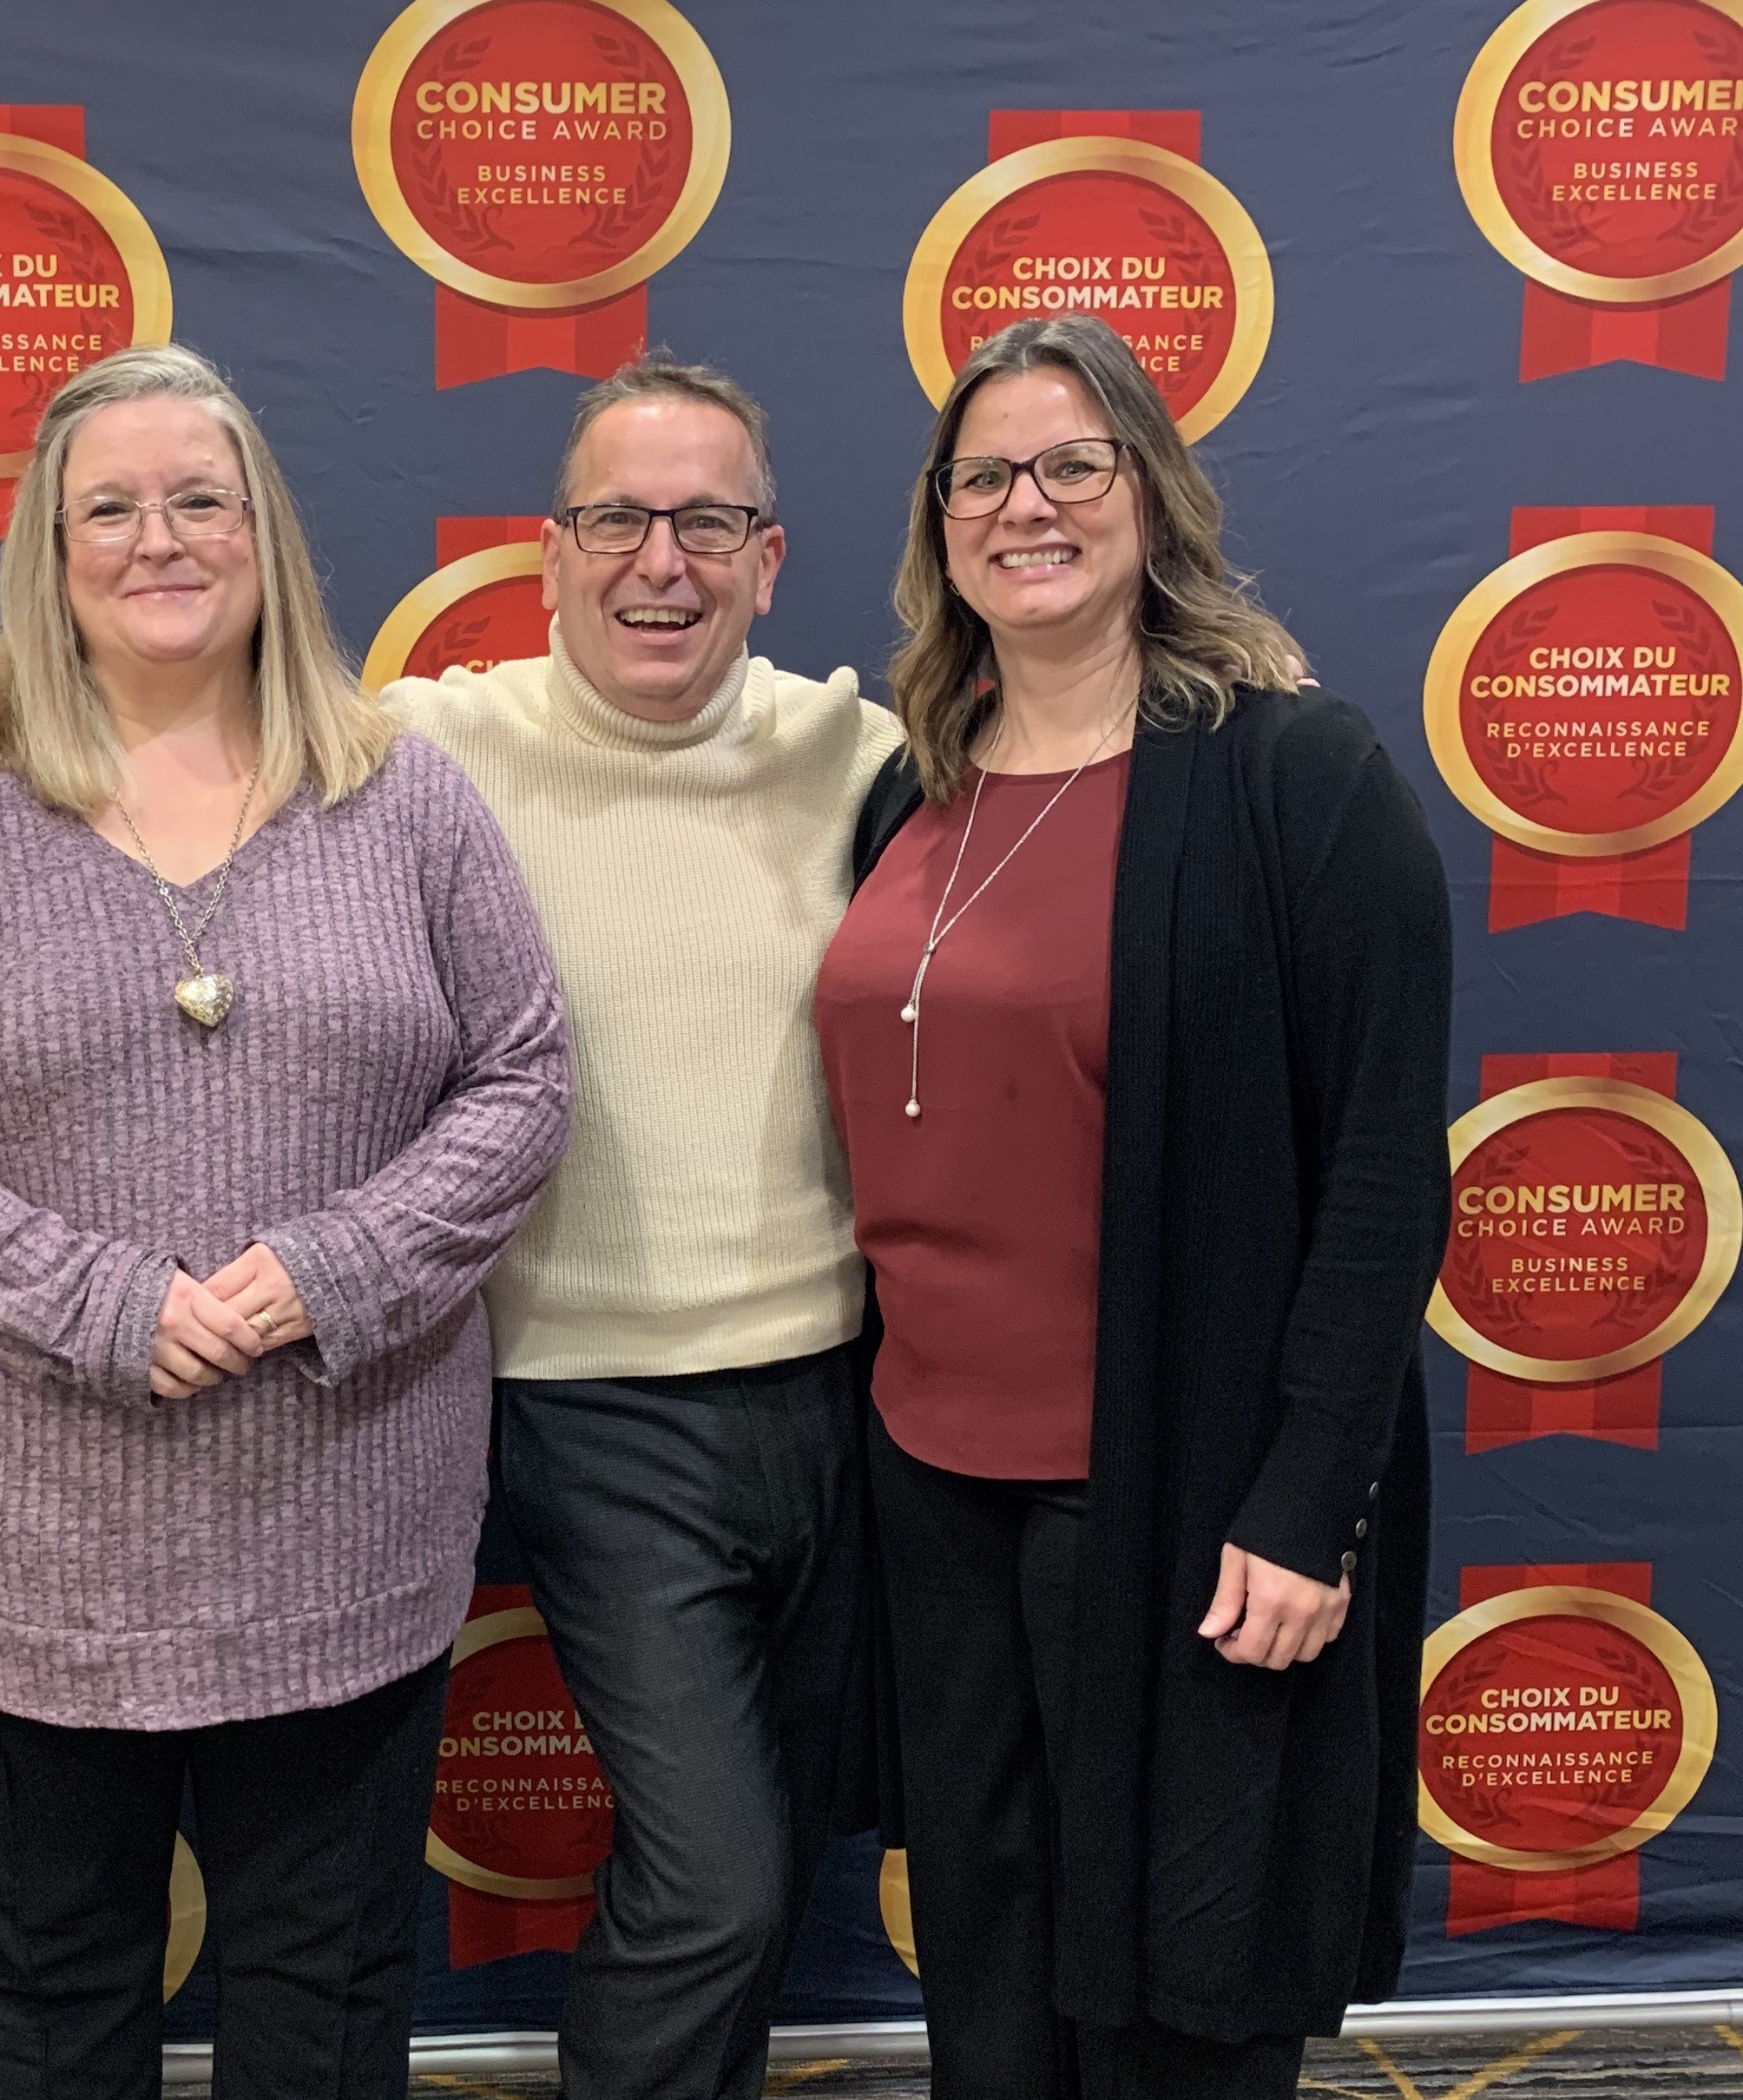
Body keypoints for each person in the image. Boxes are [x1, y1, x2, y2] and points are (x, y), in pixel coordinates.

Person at [0, 341, 572, 2100]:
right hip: (19, 1557)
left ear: (266, 534)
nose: (162, 539)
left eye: (200, 498)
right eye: (111, 508)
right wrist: (92, 1297)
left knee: (328, 2000)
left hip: (340, 1538)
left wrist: (332, 1267)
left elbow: (522, 1076)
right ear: (49, 557)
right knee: (55, 2008)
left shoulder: (405, 794)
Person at [814, 313, 1451, 2099]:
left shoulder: (1292, 778)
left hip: (1179, 1494)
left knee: (1178, 1983)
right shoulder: (907, 788)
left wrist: (1309, 1503)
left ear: (1153, 499)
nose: (1029, 503)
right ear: (941, 522)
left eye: (1073, 462)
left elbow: (1390, 1171)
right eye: (985, 475)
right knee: (993, 1964)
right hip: (932, 1479)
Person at [387, 353, 902, 2100]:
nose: (657, 559)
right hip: (594, 1408)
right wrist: (2, 706)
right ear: (550, 553)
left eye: (705, 520)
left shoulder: (868, 759)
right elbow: (175, 747)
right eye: (618, 516)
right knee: (718, 1881)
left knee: (788, 1865)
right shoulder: (430, 750)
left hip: (853, 1403)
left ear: (769, 557)